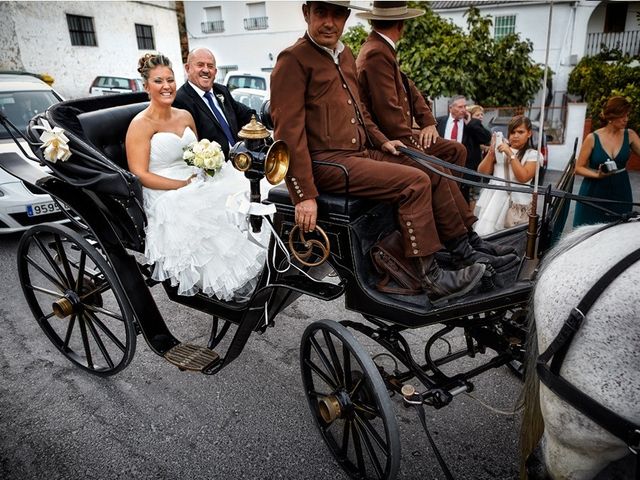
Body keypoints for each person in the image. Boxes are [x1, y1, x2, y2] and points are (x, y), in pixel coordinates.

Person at [270, 1, 518, 303]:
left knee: (430, 169)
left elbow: (360, 110)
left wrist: (381, 140)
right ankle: (432, 278)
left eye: (337, 14)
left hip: (359, 153)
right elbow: (288, 133)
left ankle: (462, 250)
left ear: (346, 17)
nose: (329, 23)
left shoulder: (344, 54)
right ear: (306, 13)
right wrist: (304, 194)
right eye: (321, 13)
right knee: (414, 183)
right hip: (327, 164)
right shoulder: (293, 60)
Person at [126, 53, 269, 300]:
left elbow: (195, 152)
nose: (167, 86)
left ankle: (268, 265)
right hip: (164, 190)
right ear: (146, 85)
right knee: (208, 212)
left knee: (246, 189)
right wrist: (180, 184)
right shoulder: (140, 125)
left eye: (170, 80)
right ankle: (230, 281)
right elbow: (140, 174)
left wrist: (207, 163)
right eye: (158, 81)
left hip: (195, 177)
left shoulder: (184, 116)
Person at [354, 2, 466, 175]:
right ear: (401, 25)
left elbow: (408, 86)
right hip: (392, 141)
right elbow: (389, 112)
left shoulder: (380, 47)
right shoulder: (377, 52)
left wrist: (428, 122)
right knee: (440, 166)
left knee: (456, 150)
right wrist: (415, 149)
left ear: (372, 22)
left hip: (398, 136)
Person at [173, 48, 255, 160]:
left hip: (242, 160)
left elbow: (248, 114)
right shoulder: (180, 100)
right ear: (187, 68)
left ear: (215, 72)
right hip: (213, 170)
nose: (206, 70)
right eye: (200, 65)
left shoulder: (222, 91)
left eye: (210, 66)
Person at [573, 96, 639, 227]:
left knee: (618, 232)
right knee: (588, 233)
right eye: (622, 116)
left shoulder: (630, 135)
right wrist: (597, 174)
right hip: (594, 192)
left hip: (621, 191)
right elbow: (578, 168)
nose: (626, 119)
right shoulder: (592, 138)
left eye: (627, 115)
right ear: (611, 116)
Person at [474, 115, 544, 235]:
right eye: (512, 132)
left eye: (520, 132)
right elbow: (482, 172)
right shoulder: (500, 150)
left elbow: (523, 177)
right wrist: (492, 151)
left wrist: (510, 153)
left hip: (515, 203)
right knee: (485, 234)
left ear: (529, 133)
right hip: (493, 200)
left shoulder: (533, 154)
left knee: (509, 237)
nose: (516, 136)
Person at [436, 95, 492, 203]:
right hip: (443, 169)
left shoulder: (470, 125)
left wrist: (472, 124)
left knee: (462, 202)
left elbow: (486, 138)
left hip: (464, 172)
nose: (464, 110)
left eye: (465, 107)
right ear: (451, 108)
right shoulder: (440, 122)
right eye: (460, 107)